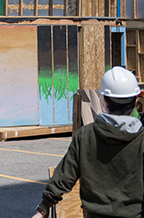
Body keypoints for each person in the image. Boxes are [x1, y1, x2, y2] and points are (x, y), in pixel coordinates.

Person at [32, 67, 144, 218]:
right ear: (136, 101)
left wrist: (43, 209)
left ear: (104, 100)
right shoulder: (141, 139)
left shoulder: (85, 136)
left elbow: (64, 177)